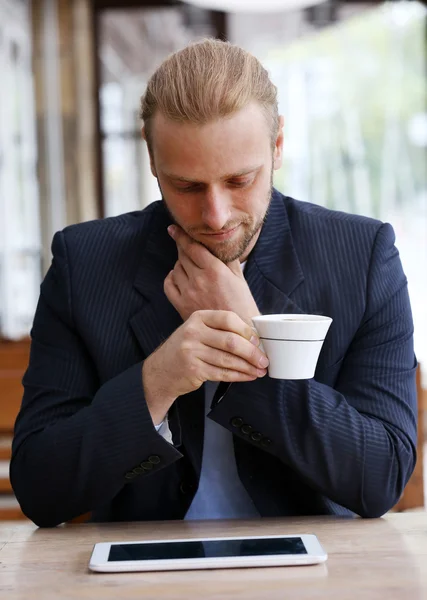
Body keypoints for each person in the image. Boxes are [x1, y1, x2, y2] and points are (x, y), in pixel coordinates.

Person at [10, 39, 417, 528]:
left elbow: (381, 479)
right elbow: (39, 489)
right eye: (187, 187)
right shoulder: (84, 265)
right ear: (151, 157)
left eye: (240, 180)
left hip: (312, 577)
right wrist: (156, 381)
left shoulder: (363, 257)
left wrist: (252, 335)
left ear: (278, 146)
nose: (216, 215)